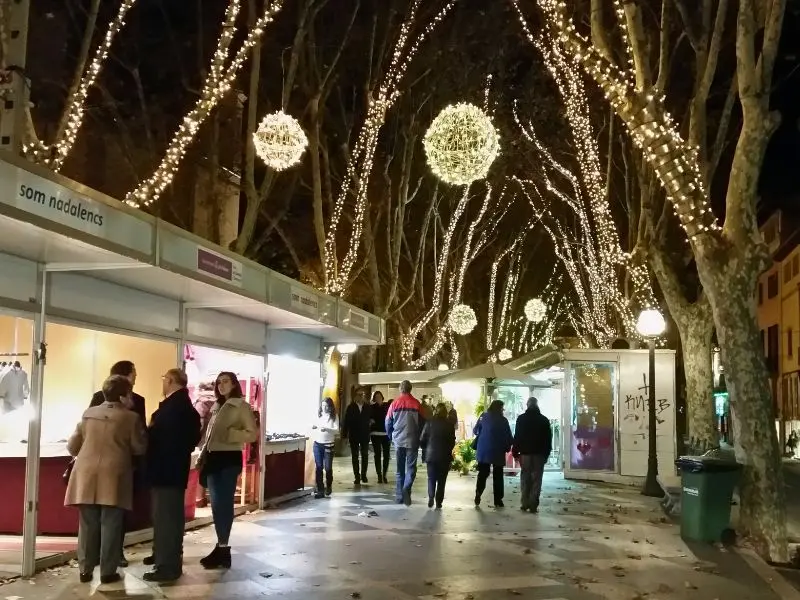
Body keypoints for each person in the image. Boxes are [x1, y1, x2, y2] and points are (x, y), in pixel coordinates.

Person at [65, 375, 147, 584]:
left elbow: (73, 446)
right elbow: (139, 447)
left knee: (87, 524)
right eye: (129, 393)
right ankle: (108, 571)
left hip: (85, 474)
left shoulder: (88, 414)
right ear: (123, 396)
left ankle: (85, 569)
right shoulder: (131, 418)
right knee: (111, 524)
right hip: (114, 474)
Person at [143, 368, 201, 583]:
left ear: (170, 381)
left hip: (165, 470)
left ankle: (167, 566)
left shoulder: (173, 409)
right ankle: (165, 557)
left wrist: (148, 433)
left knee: (166, 519)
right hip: (174, 470)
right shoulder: (184, 407)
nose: (163, 383)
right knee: (171, 518)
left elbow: (160, 438)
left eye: (164, 379)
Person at [89, 360, 146, 567]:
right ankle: (100, 557)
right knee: (105, 513)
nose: (136, 377)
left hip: (121, 463)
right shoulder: (100, 398)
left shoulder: (138, 400)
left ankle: (112, 554)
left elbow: (140, 432)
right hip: (110, 462)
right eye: (134, 373)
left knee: (114, 514)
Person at [198, 372, 259, 570]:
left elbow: (252, 434)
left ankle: (223, 549)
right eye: (219, 382)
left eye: (226, 381)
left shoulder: (240, 406)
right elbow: (209, 435)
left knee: (223, 505)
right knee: (217, 505)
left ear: (234, 384)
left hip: (228, 459)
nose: (221, 385)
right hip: (213, 458)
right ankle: (221, 546)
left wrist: (231, 434)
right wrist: (202, 454)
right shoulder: (217, 406)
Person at [385, 380, 423, 506]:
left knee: (399, 469)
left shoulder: (394, 404)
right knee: (411, 468)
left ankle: (400, 496)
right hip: (413, 440)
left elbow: (388, 422)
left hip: (398, 440)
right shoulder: (417, 404)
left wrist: (391, 436)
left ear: (401, 389)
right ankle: (407, 487)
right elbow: (423, 423)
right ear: (410, 389)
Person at [513, 397, 553, 513]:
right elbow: (548, 440)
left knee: (525, 478)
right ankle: (533, 504)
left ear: (527, 405)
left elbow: (518, 437)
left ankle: (524, 503)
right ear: (537, 405)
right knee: (537, 479)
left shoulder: (521, 419)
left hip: (525, 454)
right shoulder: (544, 420)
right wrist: (546, 454)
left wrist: (515, 452)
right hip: (539, 455)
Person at [473, 400, 513, 508]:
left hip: (484, 450)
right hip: (498, 451)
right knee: (498, 475)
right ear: (500, 408)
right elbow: (508, 436)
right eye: (502, 408)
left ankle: (478, 493)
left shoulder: (483, 416)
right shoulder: (503, 420)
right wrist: (508, 446)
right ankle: (498, 500)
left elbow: (475, 430)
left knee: (482, 474)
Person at [420, 403, 456, 509]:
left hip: (431, 456)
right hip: (444, 457)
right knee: (442, 480)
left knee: (431, 478)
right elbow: (452, 441)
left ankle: (431, 496)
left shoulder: (429, 422)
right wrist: (448, 450)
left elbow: (422, 439)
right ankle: (439, 502)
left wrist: (426, 449)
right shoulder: (450, 425)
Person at [312, 397, 339, 499]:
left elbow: (336, 430)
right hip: (318, 444)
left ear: (330, 406)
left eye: (326, 406)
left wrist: (327, 429)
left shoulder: (334, 416)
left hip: (329, 444)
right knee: (319, 467)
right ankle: (320, 490)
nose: (324, 408)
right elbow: (312, 423)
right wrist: (314, 426)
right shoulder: (318, 415)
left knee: (328, 468)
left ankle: (329, 485)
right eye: (323, 406)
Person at [343, 390, 371, 485]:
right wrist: (344, 435)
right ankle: (357, 476)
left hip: (364, 435)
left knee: (365, 455)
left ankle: (363, 475)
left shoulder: (367, 407)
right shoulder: (351, 407)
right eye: (358, 395)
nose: (360, 397)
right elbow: (346, 422)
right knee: (355, 457)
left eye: (362, 395)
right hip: (354, 435)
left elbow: (371, 418)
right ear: (355, 396)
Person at [369, 391, 391, 483]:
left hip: (385, 433)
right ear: (374, 398)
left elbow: (390, 417)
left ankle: (384, 474)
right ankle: (379, 475)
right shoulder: (372, 407)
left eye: (379, 396)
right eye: (376, 397)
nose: (378, 398)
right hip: (375, 433)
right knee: (377, 454)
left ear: (382, 397)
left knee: (386, 455)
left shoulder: (387, 406)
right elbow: (370, 418)